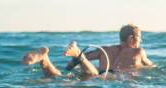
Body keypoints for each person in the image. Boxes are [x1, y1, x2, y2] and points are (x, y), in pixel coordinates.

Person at [21, 24, 154, 78]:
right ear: (131, 39)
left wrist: (70, 66)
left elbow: (80, 59)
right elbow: (151, 66)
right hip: (109, 77)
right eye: (139, 39)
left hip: (97, 71)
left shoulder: (106, 50)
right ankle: (77, 53)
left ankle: (44, 59)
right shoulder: (138, 51)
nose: (140, 42)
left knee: (57, 77)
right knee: (93, 74)